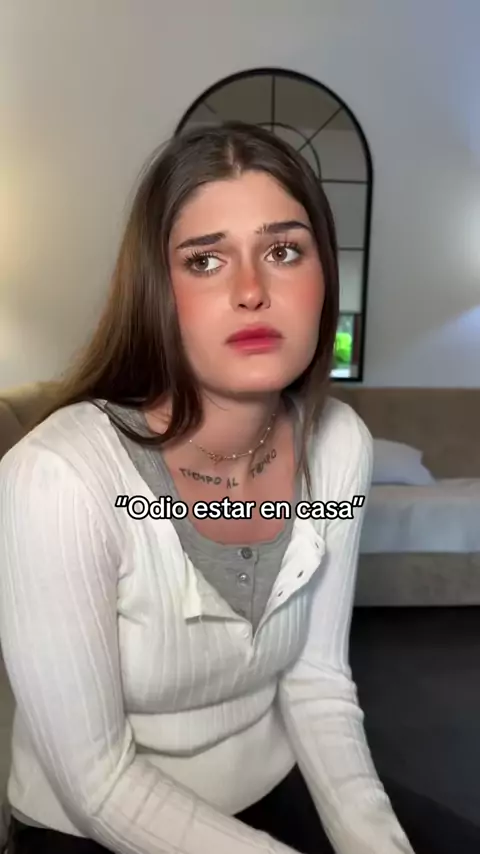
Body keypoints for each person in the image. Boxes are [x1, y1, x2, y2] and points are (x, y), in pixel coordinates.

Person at [0, 121, 414, 854]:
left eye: (283, 251)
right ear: (158, 291)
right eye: (205, 260)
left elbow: (318, 682)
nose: (252, 291)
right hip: (91, 826)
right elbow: (96, 782)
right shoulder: (56, 479)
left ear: (325, 276)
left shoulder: (340, 443)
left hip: (275, 791)